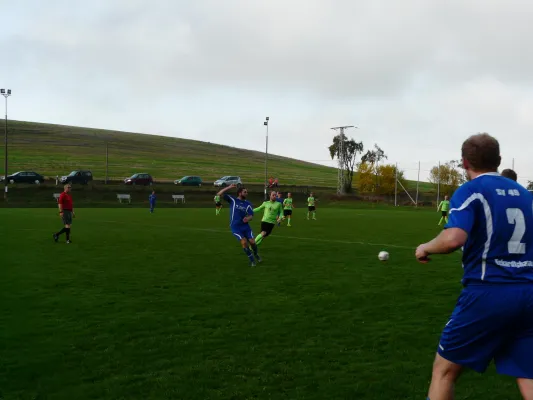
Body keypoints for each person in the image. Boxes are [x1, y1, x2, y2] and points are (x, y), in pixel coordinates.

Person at [415, 133, 533, 400]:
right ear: (498, 160)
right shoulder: (525, 195)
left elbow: (453, 239)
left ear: (464, 162)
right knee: (529, 375)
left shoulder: (470, 191)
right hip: (529, 293)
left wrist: (425, 247)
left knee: (444, 372)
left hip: (489, 292)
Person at [217, 184, 261, 267]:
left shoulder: (248, 204)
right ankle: (252, 261)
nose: (247, 193)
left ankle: (256, 254)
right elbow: (219, 194)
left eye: (247, 192)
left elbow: (251, 215)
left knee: (252, 242)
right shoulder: (233, 200)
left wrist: (248, 218)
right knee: (244, 242)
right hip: (235, 227)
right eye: (245, 192)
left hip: (245, 227)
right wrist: (229, 187)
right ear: (240, 193)